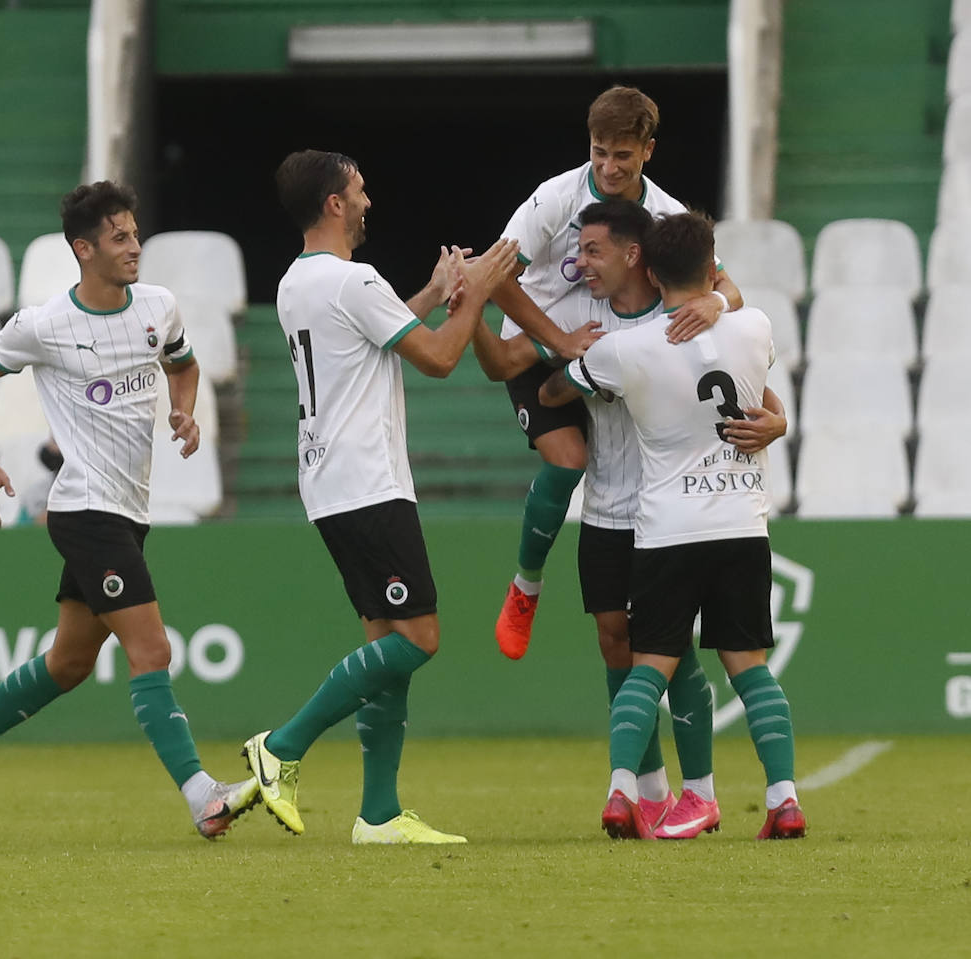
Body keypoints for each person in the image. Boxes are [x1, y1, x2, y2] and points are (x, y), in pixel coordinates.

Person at [0, 181, 259, 840]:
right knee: (151, 648)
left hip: (129, 511)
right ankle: (202, 795)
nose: (134, 247)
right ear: (84, 249)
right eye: (120, 237)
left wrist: (184, 406)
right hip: (84, 509)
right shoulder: (46, 324)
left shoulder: (158, 307)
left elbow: (182, 366)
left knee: (69, 663)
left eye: (135, 234)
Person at [242, 149, 520, 844]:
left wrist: (431, 293)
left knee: (384, 646)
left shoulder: (297, 282)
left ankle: (379, 813)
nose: (369, 201)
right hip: (368, 480)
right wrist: (478, 291)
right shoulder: (354, 278)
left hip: (330, 480)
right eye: (360, 190)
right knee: (418, 639)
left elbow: (372, 337)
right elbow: (439, 359)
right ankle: (282, 744)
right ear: (334, 203)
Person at [505, 198, 787, 838]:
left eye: (593, 251)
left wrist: (583, 372)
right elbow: (505, 368)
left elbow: (757, 393)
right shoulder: (583, 314)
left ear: (642, 261)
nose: (579, 264)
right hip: (622, 509)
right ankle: (668, 794)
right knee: (625, 643)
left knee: (662, 656)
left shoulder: (656, 336)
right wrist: (558, 343)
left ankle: (677, 791)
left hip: (663, 519)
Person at [473, 85, 744, 661]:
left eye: (622, 154)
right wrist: (559, 341)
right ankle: (525, 586)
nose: (608, 166)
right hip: (541, 340)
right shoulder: (554, 200)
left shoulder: (666, 214)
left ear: (648, 150)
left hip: (617, 343)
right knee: (569, 459)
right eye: (599, 152)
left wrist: (716, 303)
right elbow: (494, 276)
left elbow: (729, 289)